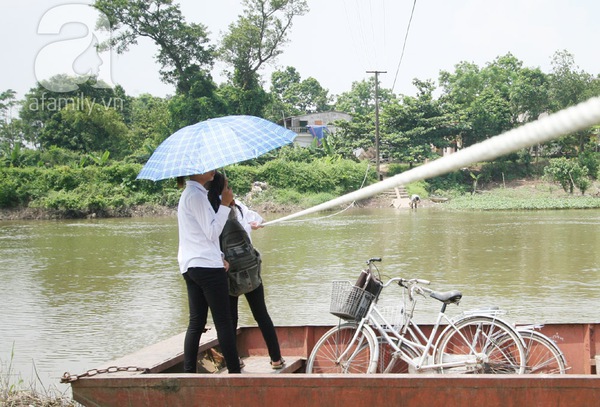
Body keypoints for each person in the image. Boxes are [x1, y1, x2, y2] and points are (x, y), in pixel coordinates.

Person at [207, 171, 285, 370]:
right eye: (227, 187)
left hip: (227, 271)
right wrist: (256, 224)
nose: (230, 190)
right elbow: (257, 219)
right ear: (222, 190)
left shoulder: (212, 210)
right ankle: (276, 359)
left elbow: (210, 239)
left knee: (230, 319)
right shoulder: (238, 206)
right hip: (249, 269)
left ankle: (235, 361)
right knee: (262, 315)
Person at [177, 171, 241, 374]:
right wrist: (224, 204)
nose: (213, 170)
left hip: (192, 264)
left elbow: (201, 235)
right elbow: (212, 231)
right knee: (224, 322)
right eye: (208, 167)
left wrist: (219, 255)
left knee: (196, 322)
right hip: (206, 267)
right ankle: (235, 373)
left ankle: (189, 374)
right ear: (196, 171)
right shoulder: (196, 196)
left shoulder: (190, 194)